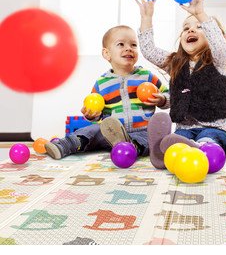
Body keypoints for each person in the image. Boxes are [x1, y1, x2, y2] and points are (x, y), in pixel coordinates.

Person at [136, 0, 226, 169]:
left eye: (199, 27)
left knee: (209, 138)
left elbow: (219, 46)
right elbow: (149, 51)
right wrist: (146, 18)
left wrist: (201, 14)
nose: (191, 30)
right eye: (186, 28)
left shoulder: (217, 61)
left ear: (213, 35)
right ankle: (165, 152)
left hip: (216, 129)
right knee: (179, 139)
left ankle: (201, 149)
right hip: (185, 129)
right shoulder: (175, 63)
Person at [45, 25, 169, 160]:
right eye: (121, 44)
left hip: (141, 130)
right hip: (109, 133)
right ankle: (64, 145)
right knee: (91, 130)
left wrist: (162, 99)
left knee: (150, 139)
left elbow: (168, 94)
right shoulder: (101, 83)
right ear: (107, 54)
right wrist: (92, 115)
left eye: (133, 45)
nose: (129, 48)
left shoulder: (147, 77)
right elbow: (98, 114)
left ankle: (131, 147)